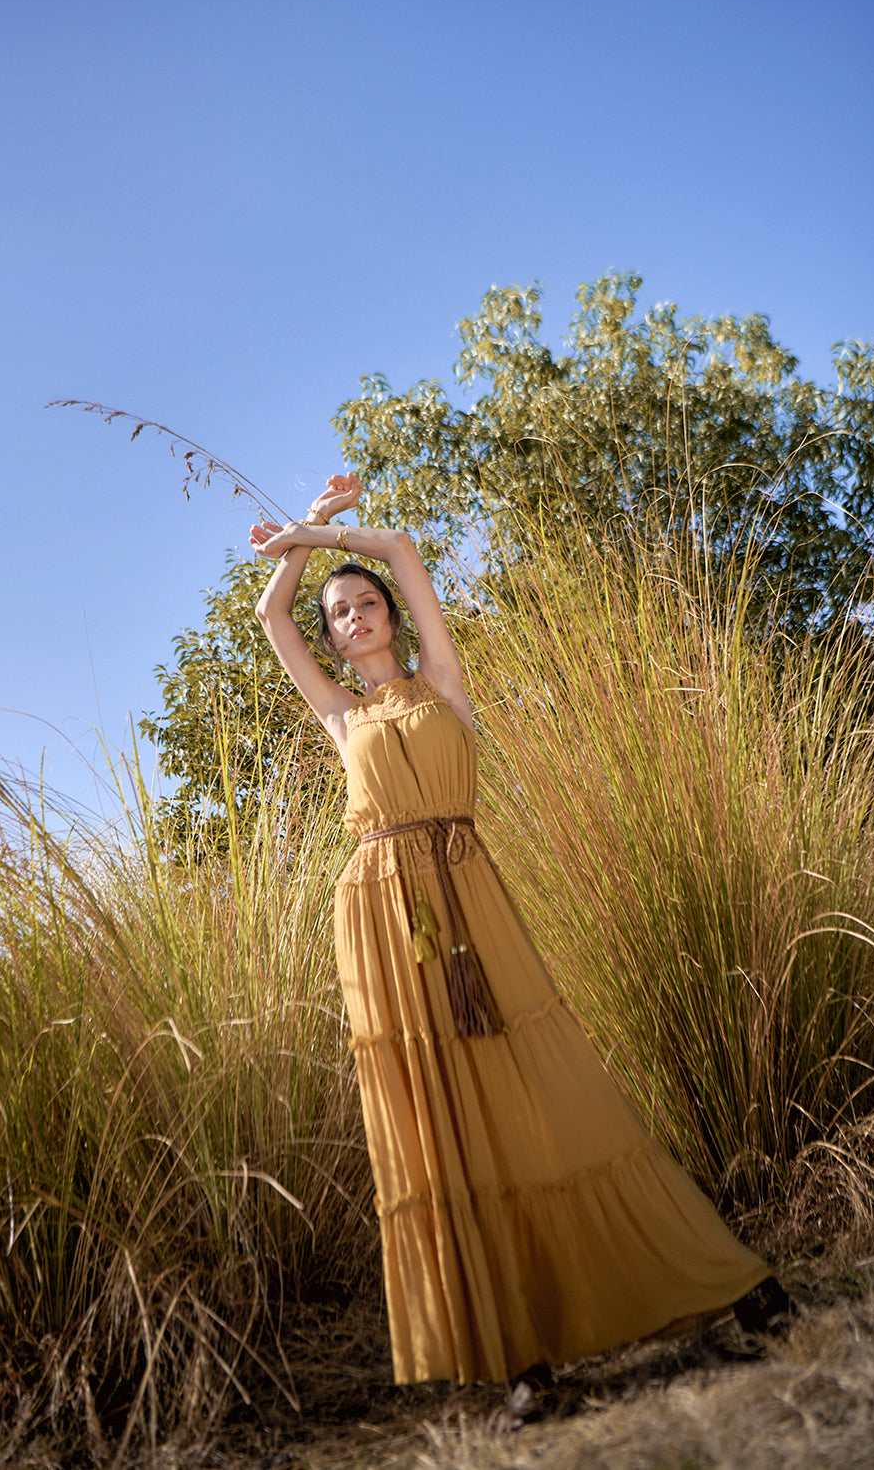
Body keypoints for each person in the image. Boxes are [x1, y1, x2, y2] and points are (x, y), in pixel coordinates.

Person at [249, 472, 793, 1422]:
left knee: (549, 1085)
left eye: (365, 604)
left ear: (391, 618)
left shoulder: (442, 684)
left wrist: (327, 528)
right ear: (331, 639)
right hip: (380, 922)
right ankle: (524, 1364)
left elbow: (403, 551)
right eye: (339, 614)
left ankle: (726, 1279)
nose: (354, 617)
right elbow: (269, 615)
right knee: (439, 1127)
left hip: (469, 903)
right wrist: (303, 539)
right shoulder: (340, 716)